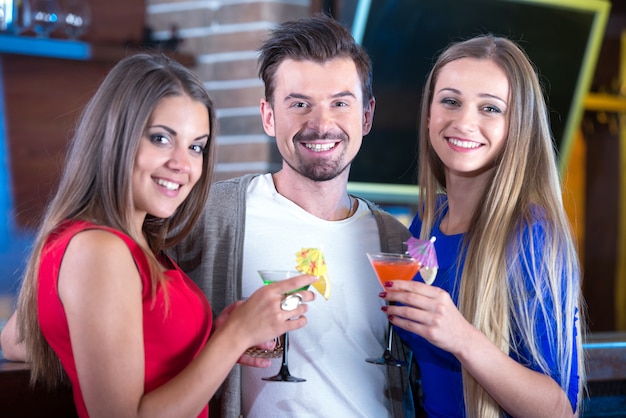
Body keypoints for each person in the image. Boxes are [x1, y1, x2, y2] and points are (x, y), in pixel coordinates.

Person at [0, 53, 316, 417]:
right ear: (114, 138)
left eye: (196, 146)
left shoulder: (137, 245)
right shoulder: (100, 249)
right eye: (161, 139)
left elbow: (18, 341)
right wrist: (234, 337)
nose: (182, 164)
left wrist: (214, 337)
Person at [171, 13, 412, 418]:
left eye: (340, 103)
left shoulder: (395, 241)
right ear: (268, 116)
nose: (321, 124)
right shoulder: (210, 216)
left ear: (366, 116)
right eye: (299, 104)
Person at [380, 35, 584, 417]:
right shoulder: (427, 219)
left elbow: (559, 410)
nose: (464, 122)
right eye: (451, 101)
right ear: (429, 114)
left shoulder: (532, 235)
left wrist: (461, 337)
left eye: (490, 108)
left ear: (518, 126)